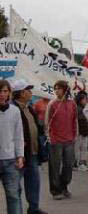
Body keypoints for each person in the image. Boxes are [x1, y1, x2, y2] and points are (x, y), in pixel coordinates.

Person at [12, 80, 48, 214]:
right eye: (28, 90)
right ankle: (16, 210)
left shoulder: (29, 108)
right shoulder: (13, 109)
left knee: (33, 182)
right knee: (16, 185)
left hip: (32, 153)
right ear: (21, 93)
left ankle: (33, 208)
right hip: (19, 154)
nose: (31, 93)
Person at [45, 80, 77, 200]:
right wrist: (49, 137)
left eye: (59, 88)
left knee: (68, 165)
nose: (56, 91)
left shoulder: (72, 104)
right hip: (56, 140)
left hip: (69, 140)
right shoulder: (52, 104)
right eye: (55, 89)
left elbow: (75, 121)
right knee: (55, 166)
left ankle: (64, 187)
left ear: (65, 90)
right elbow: (47, 123)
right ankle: (55, 190)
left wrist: (75, 136)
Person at [0, 80, 24, 214]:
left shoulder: (15, 111)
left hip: (10, 160)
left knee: (13, 196)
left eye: (5, 91)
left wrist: (20, 156)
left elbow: (18, 135)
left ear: (9, 93)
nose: (2, 94)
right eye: (0, 91)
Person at [75, 92, 88, 172]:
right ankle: (77, 163)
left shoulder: (85, 109)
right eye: (85, 99)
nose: (86, 101)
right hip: (79, 133)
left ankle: (82, 163)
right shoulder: (78, 109)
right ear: (80, 100)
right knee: (78, 149)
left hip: (85, 133)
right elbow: (79, 121)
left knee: (84, 149)